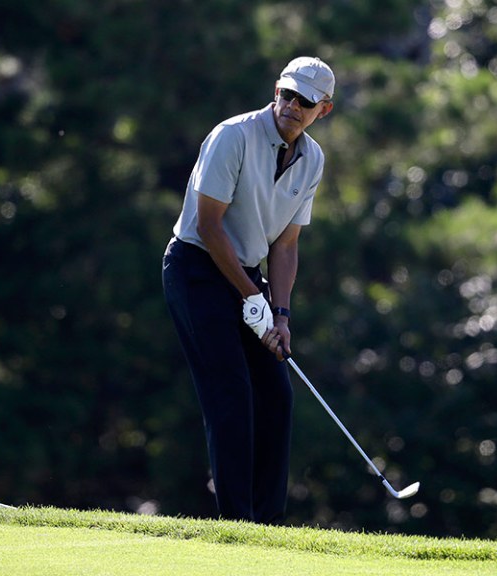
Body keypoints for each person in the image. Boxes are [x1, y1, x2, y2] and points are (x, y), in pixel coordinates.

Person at [162, 56, 335, 523]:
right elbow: (208, 225)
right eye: (289, 95)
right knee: (231, 393)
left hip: (247, 278)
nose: (293, 107)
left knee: (276, 397)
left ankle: (268, 525)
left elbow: (286, 244)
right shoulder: (232, 136)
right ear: (276, 90)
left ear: (324, 110)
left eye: (307, 102)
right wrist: (251, 296)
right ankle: (238, 522)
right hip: (196, 270)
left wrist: (280, 314)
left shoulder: (312, 159)